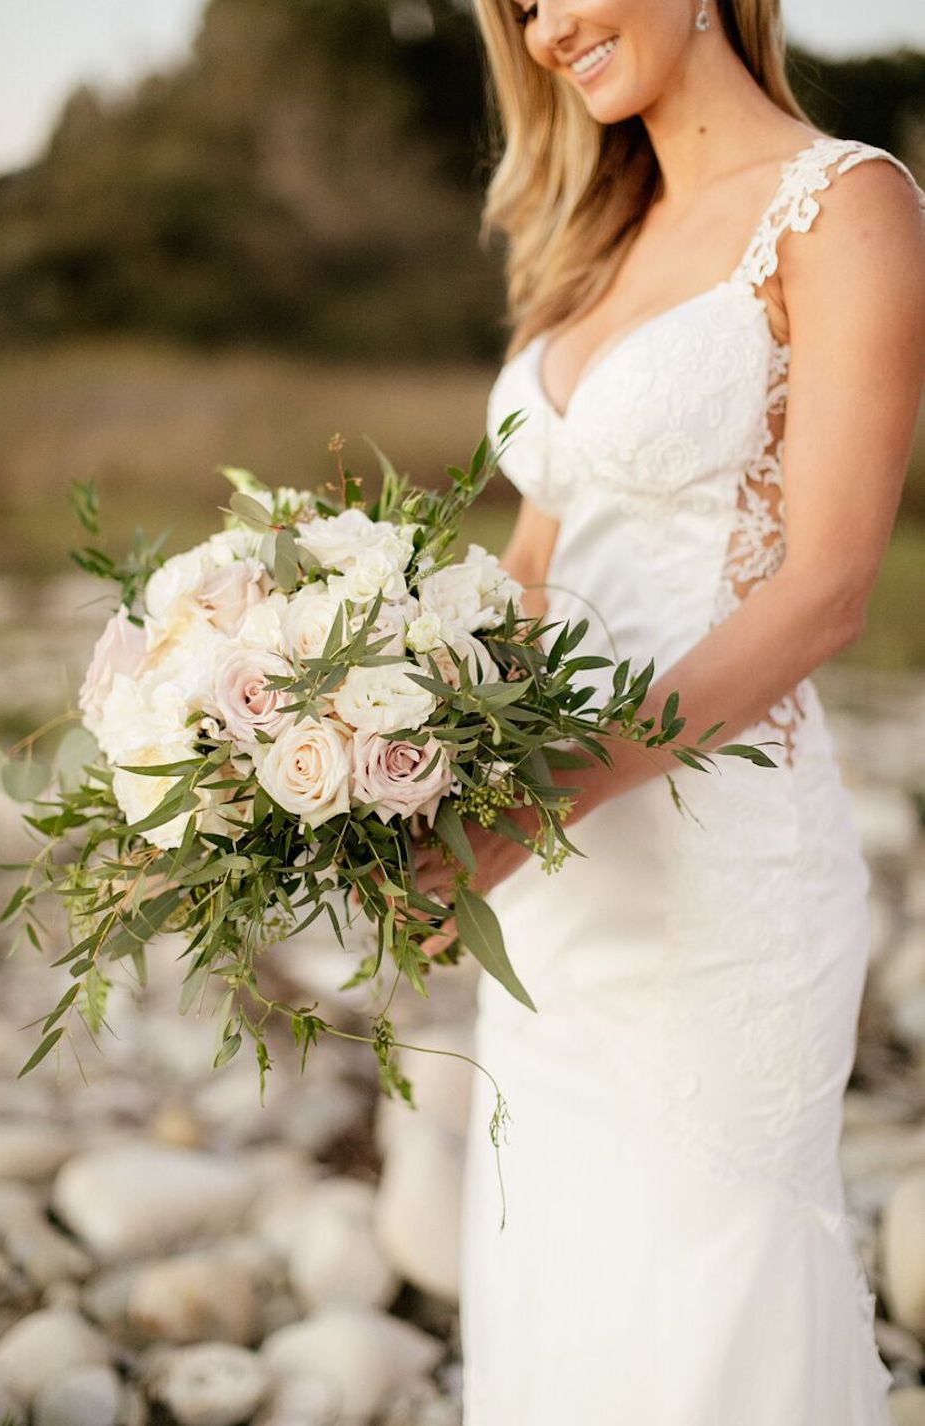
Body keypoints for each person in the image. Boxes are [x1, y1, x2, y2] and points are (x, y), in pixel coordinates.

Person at [410, 1, 925, 1422]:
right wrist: (405, 760)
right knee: (560, 1291)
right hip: (559, 878)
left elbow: (824, 588)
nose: (548, 27)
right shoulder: (589, 236)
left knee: (706, 1307)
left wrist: (544, 795)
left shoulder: (846, 204)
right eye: (518, 6)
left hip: (715, 873)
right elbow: (535, 559)